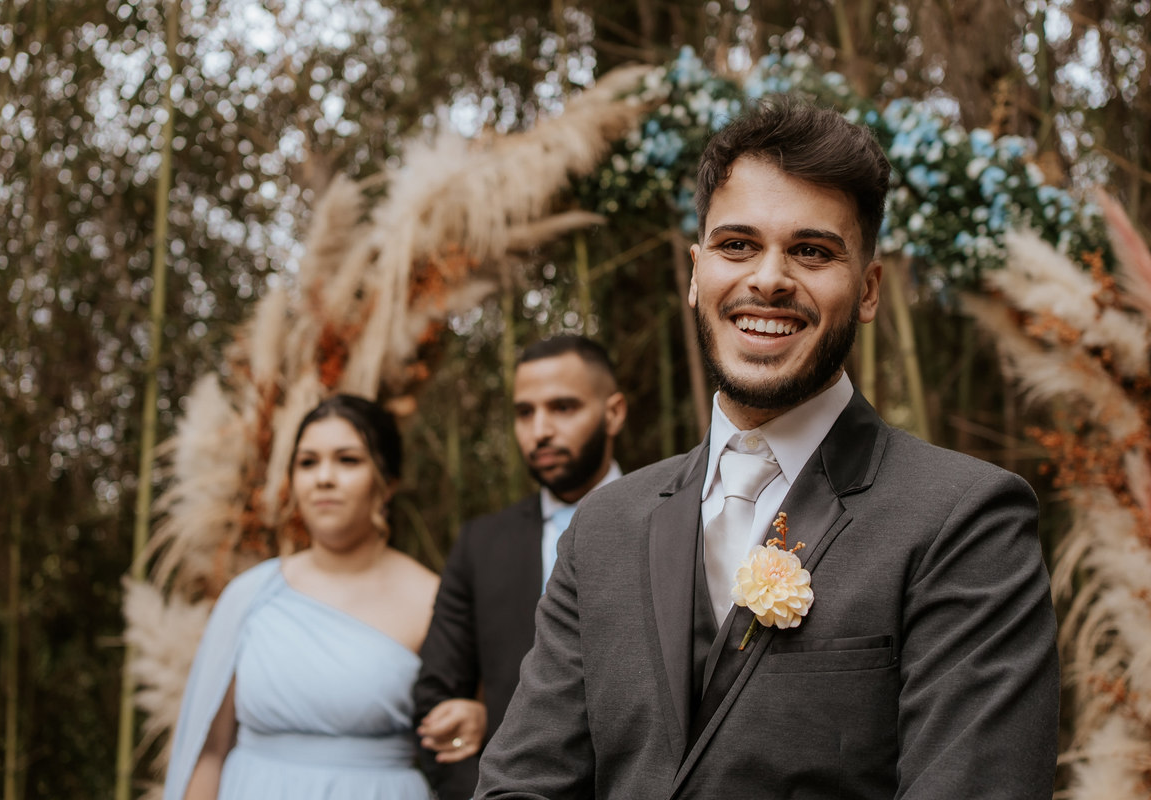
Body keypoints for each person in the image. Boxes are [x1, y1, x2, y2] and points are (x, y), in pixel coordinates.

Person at [476, 95, 1060, 799]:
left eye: (811, 251)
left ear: (869, 289)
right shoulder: (603, 527)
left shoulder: (965, 520)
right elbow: (524, 783)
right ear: (697, 273)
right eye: (737, 245)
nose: (769, 278)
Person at [163, 394, 439, 800]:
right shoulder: (250, 596)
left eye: (348, 460)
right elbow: (209, 751)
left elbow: (470, 735)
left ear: (388, 482)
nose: (324, 478)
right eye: (308, 462)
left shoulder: (432, 599)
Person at [413, 335, 628, 798]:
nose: (540, 430)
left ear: (613, 413)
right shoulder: (480, 545)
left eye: (563, 407)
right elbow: (436, 704)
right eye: (525, 412)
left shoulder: (680, 521)